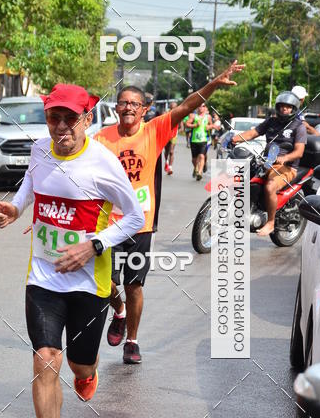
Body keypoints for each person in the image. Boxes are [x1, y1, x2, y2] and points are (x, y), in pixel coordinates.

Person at [0, 83, 144, 418]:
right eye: (54, 117)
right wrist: (15, 207)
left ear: (87, 120)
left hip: (87, 283)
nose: (60, 126)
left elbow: (134, 217)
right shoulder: (41, 150)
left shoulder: (103, 163)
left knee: (80, 364)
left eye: (69, 118)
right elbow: (31, 184)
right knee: (45, 359)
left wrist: (93, 245)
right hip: (43, 277)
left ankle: (92, 357)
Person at [94, 61, 245, 364]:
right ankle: (119, 311)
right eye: (123, 103)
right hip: (107, 224)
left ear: (144, 109)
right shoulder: (100, 139)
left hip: (140, 224)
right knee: (104, 286)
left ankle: (132, 341)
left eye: (134, 104)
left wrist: (214, 83)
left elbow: (188, 106)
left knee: (134, 284)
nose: (127, 108)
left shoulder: (155, 130)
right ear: (115, 109)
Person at [231, 91, 306, 237]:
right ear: (277, 107)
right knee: (244, 179)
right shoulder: (271, 122)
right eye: (282, 106)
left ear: (294, 109)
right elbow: (252, 133)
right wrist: (234, 139)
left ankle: (270, 222)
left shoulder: (299, 126)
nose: (285, 109)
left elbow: (299, 152)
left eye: (288, 107)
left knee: (270, 186)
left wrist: (285, 158)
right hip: (268, 161)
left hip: (287, 167)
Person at [186, 103, 213, 180]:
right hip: (194, 140)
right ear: (197, 108)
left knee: (202, 156)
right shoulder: (193, 116)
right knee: (194, 159)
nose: (201, 107)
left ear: (205, 108)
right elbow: (187, 124)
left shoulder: (208, 117)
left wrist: (209, 127)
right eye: (199, 106)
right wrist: (195, 125)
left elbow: (211, 125)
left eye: (203, 106)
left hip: (204, 140)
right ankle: (196, 168)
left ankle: (199, 172)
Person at [164, 101, 178, 175]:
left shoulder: (178, 113)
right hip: (166, 134)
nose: (173, 109)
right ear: (170, 107)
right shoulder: (166, 113)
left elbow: (181, 122)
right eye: (172, 107)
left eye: (175, 107)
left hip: (174, 135)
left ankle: (170, 166)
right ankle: (166, 162)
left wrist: (181, 128)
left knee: (171, 151)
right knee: (166, 151)